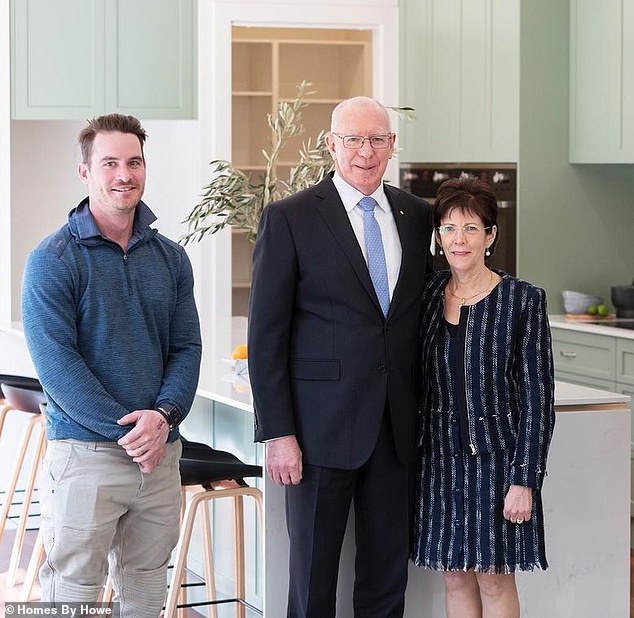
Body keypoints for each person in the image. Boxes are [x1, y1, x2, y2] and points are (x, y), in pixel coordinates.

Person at [248, 96, 434, 617]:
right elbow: (266, 336)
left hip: (396, 430)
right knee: (312, 583)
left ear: (392, 146)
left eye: (377, 139)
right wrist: (278, 432)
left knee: (385, 579)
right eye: (353, 139)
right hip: (316, 433)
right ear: (331, 145)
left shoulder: (417, 216)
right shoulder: (290, 218)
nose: (365, 151)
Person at [21, 114, 202, 617]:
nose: (125, 174)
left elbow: (187, 347)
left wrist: (163, 418)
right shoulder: (52, 259)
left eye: (134, 162)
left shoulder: (171, 258)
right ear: (85, 173)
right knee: (73, 591)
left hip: (159, 454)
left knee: (146, 589)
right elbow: (58, 367)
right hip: (86, 454)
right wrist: (133, 433)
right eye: (110, 163)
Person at [411, 177, 556, 617]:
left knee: (494, 578)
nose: (459, 239)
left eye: (471, 228)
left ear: (490, 236)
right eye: (450, 227)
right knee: (454, 576)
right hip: (438, 463)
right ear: (438, 236)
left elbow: (537, 400)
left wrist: (524, 480)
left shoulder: (521, 301)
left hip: (498, 465)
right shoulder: (428, 294)